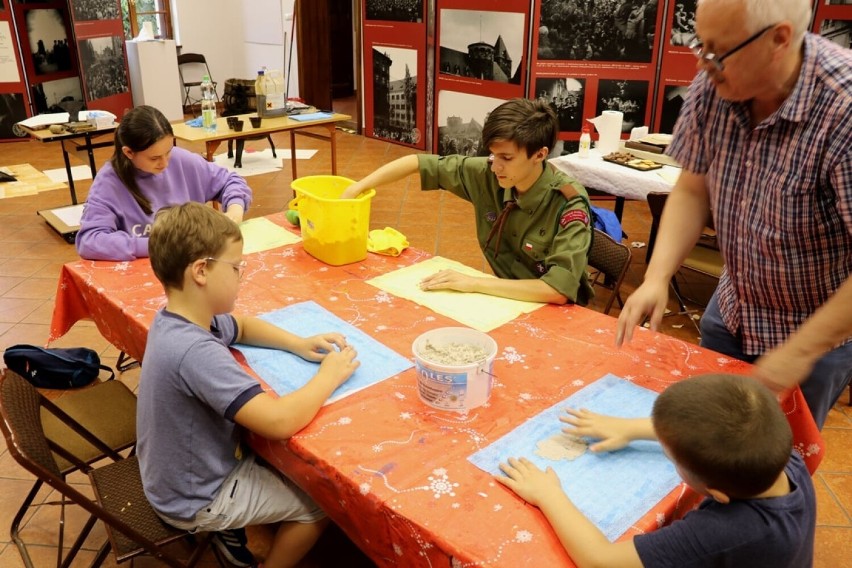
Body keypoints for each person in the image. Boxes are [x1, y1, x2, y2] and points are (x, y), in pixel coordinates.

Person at [614, 0, 852, 428]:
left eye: (717, 51)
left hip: (814, 333)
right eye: (699, 46)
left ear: (779, 39)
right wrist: (657, 276)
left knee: (775, 466)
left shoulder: (844, 108)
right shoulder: (718, 81)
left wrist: (797, 352)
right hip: (733, 307)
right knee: (709, 441)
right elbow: (692, 187)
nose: (704, 64)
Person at [137, 202, 360, 567]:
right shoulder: (194, 350)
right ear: (201, 272)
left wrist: (297, 343)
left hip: (174, 474)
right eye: (237, 268)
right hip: (194, 497)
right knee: (319, 506)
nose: (242, 276)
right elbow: (277, 421)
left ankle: (231, 531)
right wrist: (330, 374)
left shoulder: (181, 318)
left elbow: (240, 326)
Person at [496, 373, 815, 567]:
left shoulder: (724, 532)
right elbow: (713, 427)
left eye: (670, 453)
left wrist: (550, 495)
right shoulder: (780, 457)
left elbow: (599, 560)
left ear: (717, 495)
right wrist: (632, 428)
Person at [341, 98, 594, 305]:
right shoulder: (490, 173)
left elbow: (557, 290)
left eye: (506, 157)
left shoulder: (568, 203)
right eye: (493, 155)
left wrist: (472, 282)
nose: (496, 166)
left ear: (540, 155)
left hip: (556, 313)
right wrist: (358, 188)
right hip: (506, 300)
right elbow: (417, 163)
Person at [76, 105, 252, 261]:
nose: (165, 163)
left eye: (168, 152)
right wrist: (156, 247)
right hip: (147, 271)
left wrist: (235, 208)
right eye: (154, 158)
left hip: (191, 270)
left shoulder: (181, 160)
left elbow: (230, 181)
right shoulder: (109, 183)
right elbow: (90, 240)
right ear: (129, 152)